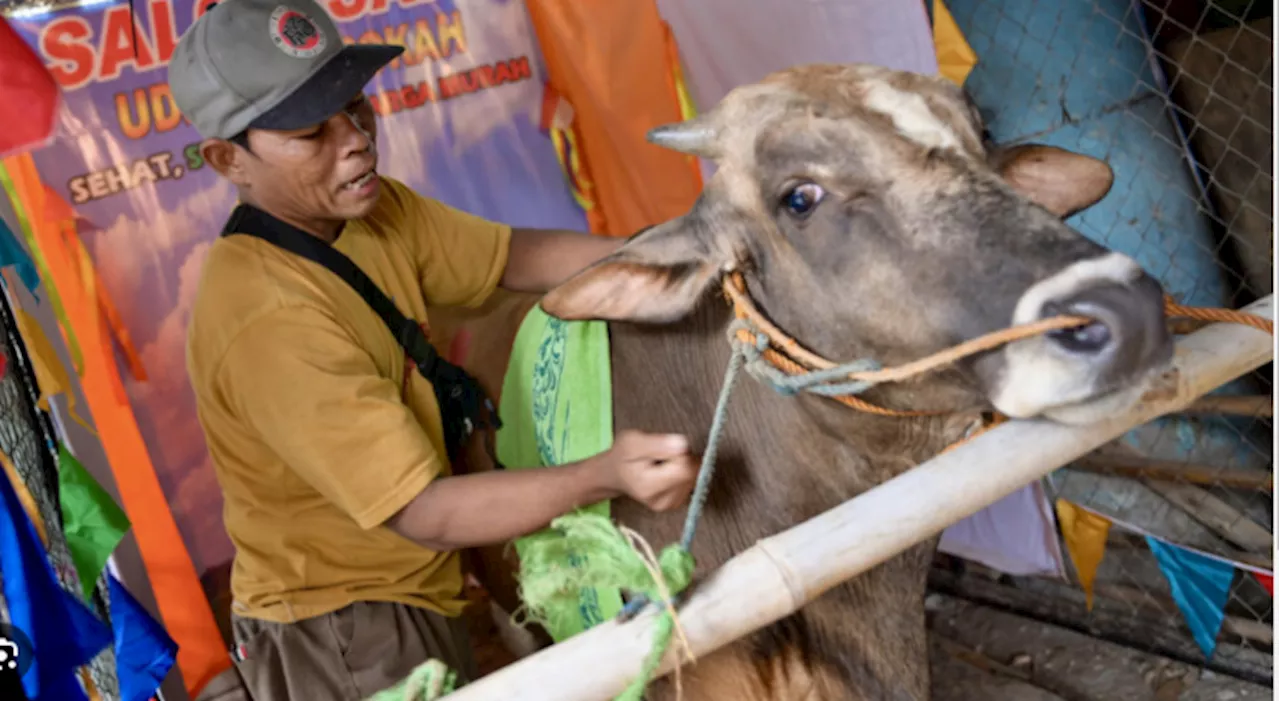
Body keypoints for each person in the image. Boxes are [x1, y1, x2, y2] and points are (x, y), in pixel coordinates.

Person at [168, 0, 699, 698]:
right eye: (310, 131)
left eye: (356, 107)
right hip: (345, 626)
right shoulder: (266, 320)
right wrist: (605, 473)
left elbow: (513, 254)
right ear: (227, 158)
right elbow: (427, 512)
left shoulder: (372, 208)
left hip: (419, 585)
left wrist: (669, 253)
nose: (355, 139)